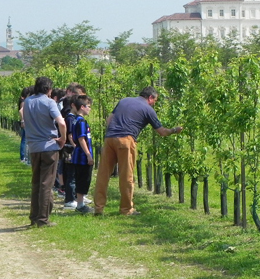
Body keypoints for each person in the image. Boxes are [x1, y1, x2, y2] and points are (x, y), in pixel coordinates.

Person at [94, 86, 182, 216]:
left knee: (103, 174)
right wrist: (175, 130)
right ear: (150, 98)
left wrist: (114, 131)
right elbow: (162, 132)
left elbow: (109, 120)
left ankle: (98, 208)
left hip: (109, 138)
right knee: (126, 176)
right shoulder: (148, 109)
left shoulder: (123, 101)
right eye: (155, 101)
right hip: (126, 140)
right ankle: (126, 209)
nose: (154, 104)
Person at [23, 76, 66, 228]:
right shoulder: (49, 102)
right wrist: (62, 138)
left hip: (33, 147)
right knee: (46, 184)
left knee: (36, 182)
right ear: (49, 89)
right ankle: (43, 219)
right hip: (49, 146)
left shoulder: (28, 101)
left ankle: (33, 216)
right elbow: (61, 122)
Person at [71, 95, 94, 214]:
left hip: (79, 156)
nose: (90, 109)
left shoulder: (77, 120)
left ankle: (81, 203)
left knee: (83, 179)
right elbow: (81, 139)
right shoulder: (80, 122)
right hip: (82, 157)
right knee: (83, 179)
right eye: (88, 106)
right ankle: (80, 205)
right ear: (82, 107)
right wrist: (88, 155)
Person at [18, 86, 33, 164]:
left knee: (24, 139)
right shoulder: (24, 101)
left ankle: (23, 156)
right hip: (25, 122)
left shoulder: (23, 100)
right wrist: (23, 120)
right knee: (24, 140)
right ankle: (23, 156)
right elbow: (21, 111)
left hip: (25, 122)